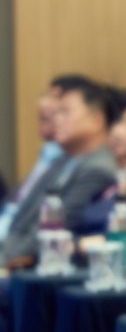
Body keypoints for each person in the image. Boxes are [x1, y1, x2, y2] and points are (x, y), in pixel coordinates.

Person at [3, 77, 119, 266]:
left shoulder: (98, 168)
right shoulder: (62, 160)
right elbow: (21, 219)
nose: (57, 119)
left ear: (97, 120)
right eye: (56, 113)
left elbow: (54, 229)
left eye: (65, 112)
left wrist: (4, 257)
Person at [0, 75, 74, 242]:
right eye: (45, 96)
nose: (43, 104)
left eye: (55, 98)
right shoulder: (47, 154)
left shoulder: (73, 162)